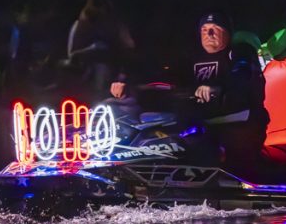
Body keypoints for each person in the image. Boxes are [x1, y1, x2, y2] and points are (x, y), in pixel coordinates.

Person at [109, 11, 268, 176]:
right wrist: (128, 86)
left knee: (201, 138)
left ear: (227, 32)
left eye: (215, 28)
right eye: (204, 29)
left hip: (237, 122)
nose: (209, 34)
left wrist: (217, 88)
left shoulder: (239, 53)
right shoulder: (192, 58)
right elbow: (164, 78)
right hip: (199, 120)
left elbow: (241, 75)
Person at [65, 0, 135, 93]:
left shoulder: (115, 25)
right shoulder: (81, 24)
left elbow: (128, 46)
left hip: (111, 64)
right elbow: (72, 54)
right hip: (86, 65)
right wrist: (93, 49)